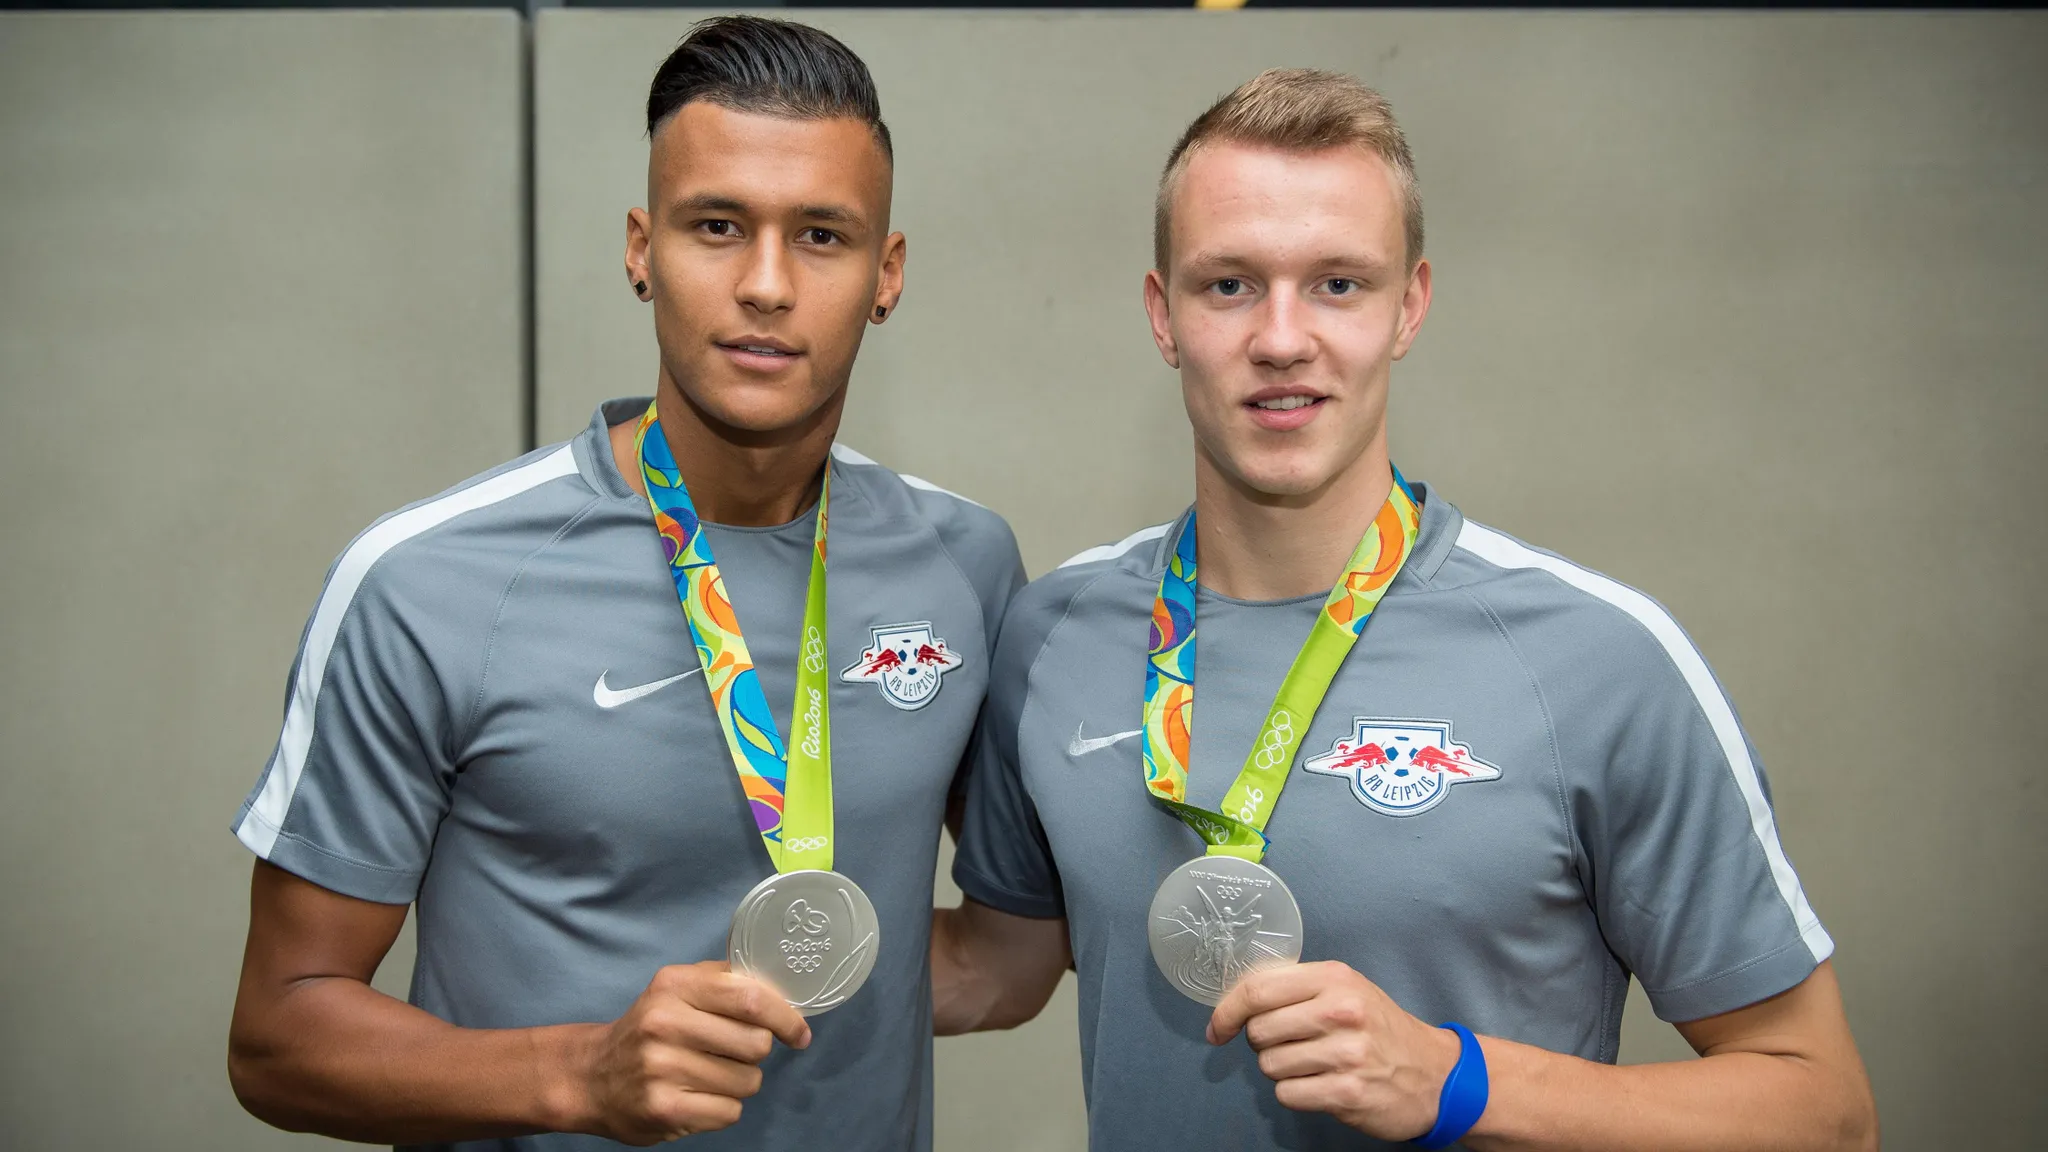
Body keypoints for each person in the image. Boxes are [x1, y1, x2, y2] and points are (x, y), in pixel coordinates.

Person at [934, 69, 1877, 1151]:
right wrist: (703, 956)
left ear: (1408, 307)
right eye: (1228, 284)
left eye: (1337, 284)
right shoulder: (1052, 633)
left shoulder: (1602, 662)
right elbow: (994, 971)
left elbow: (1825, 1109)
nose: (1281, 339)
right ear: (1163, 314)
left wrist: (1453, 1083)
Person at [227, 17, 1021, 1150]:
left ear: (885, 274)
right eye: (716, 227)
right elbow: (275, 1036)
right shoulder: (423, 583)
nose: (765, 284)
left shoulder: (967, 565)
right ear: (641, 250)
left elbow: (1004, 957)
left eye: (821, 236)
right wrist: (575, 1073)